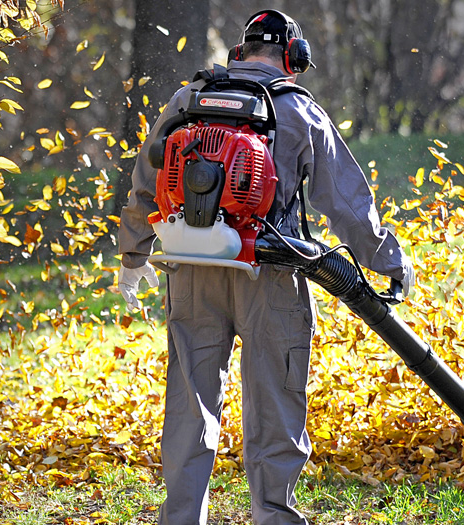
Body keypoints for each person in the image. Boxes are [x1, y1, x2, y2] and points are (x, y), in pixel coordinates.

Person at [115, 9, 413, 525]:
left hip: (191, 269)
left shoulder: (189, 99)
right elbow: (345, 202)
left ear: (240, 51)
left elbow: (148, 176)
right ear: (292, 57)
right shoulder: (298, 109)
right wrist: (388, 259)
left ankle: (181, 518)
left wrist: (132, 256)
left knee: (190, 406)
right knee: (275, 407)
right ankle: (273, 516)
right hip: (270, 275)